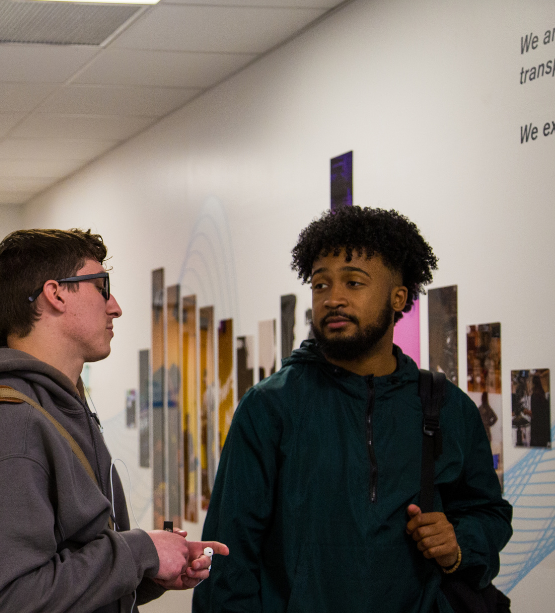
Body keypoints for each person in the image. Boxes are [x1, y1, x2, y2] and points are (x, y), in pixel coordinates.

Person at [193, 207, 513, 612]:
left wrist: (458, 544)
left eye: (353, 282)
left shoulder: (447, 407)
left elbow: (489, 512)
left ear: (398, 297)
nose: (333, 298)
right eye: (320, 284)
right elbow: (229, 553)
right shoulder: (271, 407)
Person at [0, 229, 227, 612]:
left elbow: (68, 564)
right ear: (56, 294)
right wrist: (138, 551)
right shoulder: (8, 428)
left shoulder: (59, 408)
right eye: (102, 287)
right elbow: (9, 601)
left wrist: (148, 569)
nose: (114, 306)